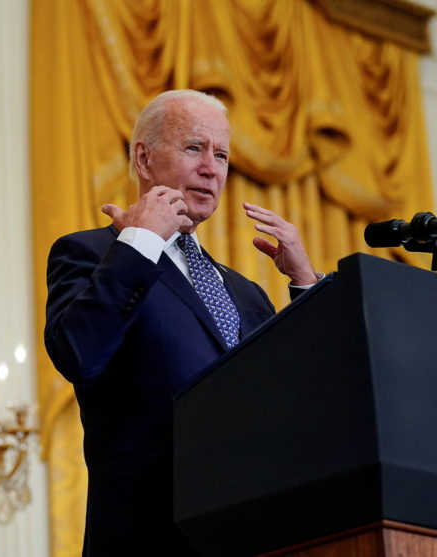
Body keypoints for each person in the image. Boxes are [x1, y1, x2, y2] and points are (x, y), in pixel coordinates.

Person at [44, 90, 322, 556]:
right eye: (194, 148)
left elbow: (301, 400)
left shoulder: (247, 293)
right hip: (147, 533)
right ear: (144, 157)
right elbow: (78, 352)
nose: (212, 168)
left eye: (222, 155)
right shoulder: (92, 254)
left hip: (252, 531)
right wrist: (138, 243)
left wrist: (306, 285)